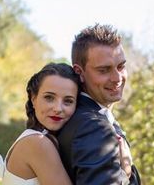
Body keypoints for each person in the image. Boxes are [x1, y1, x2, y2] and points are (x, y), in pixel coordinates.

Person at [57, 24, 141, 185]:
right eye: (104, 70)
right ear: (79, 72)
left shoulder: (77, 116)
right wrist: (126, 175)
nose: (117, 78)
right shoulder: (93, 127)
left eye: (121, 66)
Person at [0, 63, 80, 185]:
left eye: (68, 101)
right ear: (33, 99)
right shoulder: (37, 143)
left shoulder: (35, 138)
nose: (58, 108)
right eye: (49, 98)